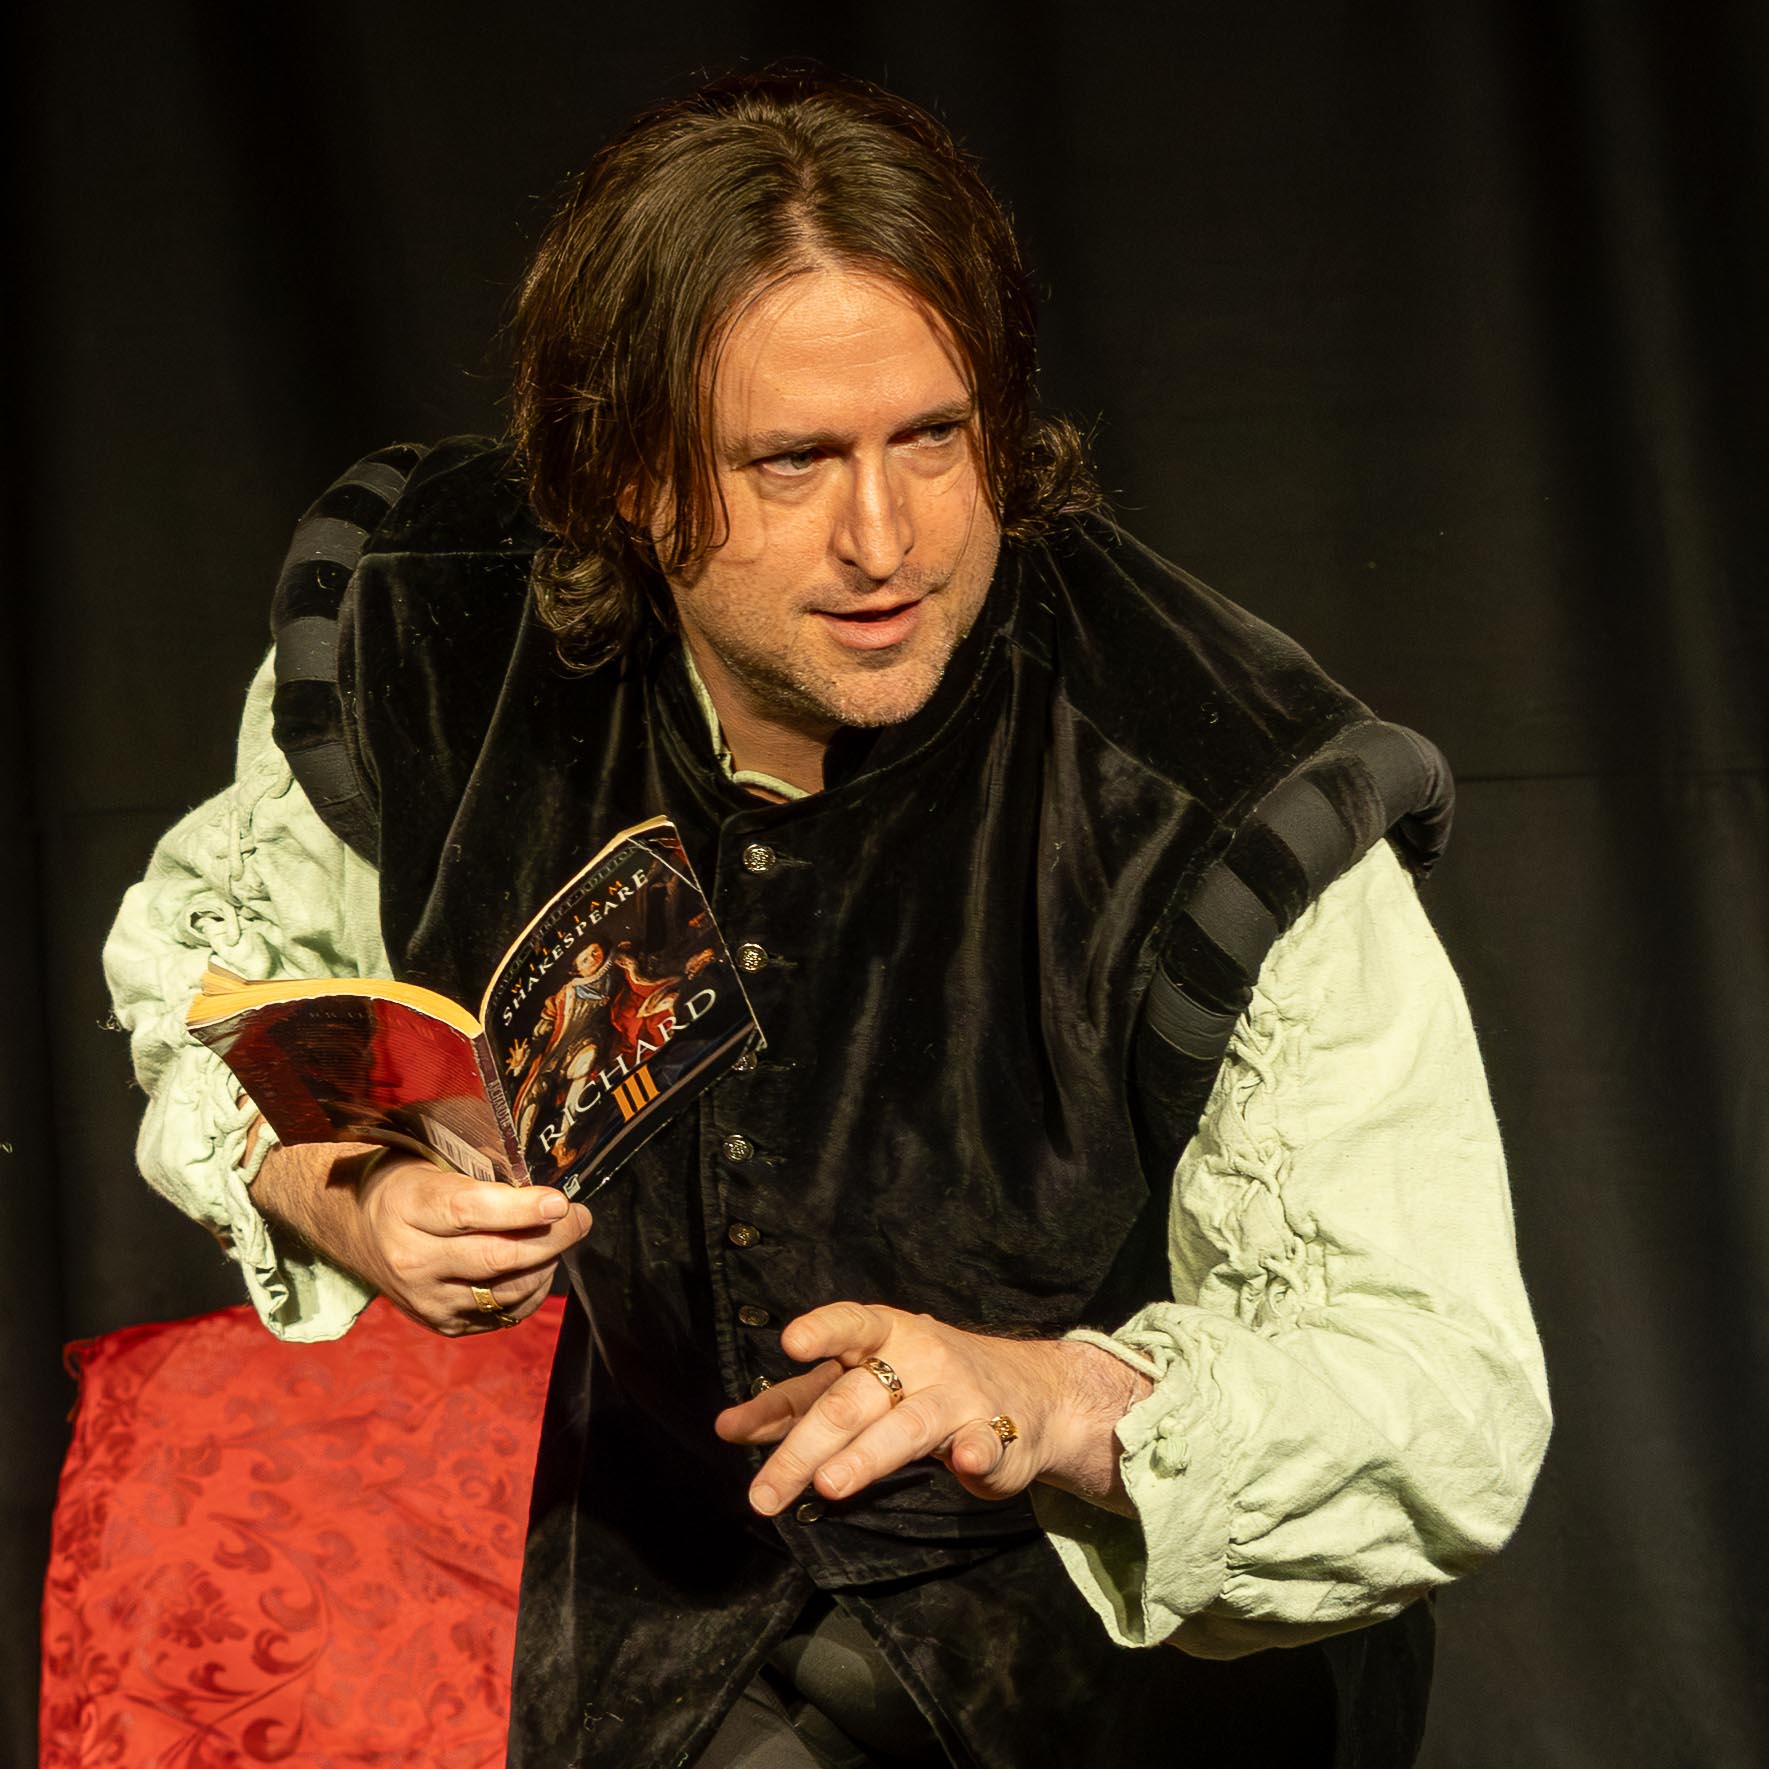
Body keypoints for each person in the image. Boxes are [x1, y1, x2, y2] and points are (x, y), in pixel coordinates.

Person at [104, 66, 1550, 1769]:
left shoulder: (1213, 782)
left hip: (1109, 1686)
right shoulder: (441, 631)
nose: (887, 538)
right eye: (791, 460)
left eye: (932, 437)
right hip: (652, 1637)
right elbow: (217, 989)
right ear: (626, 474)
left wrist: (1045, 1395)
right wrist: (342, 1185)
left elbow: (1437, 1399)